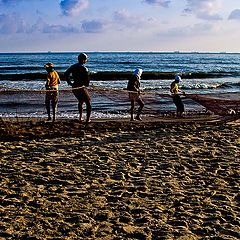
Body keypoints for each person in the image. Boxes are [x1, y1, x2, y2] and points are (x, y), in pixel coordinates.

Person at [64, 53, 91, 123]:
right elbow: (87, 80)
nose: (87, 60)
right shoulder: (85, 68)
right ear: (83, 59)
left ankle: (80, 117)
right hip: (81, 87)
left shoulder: (73, 66)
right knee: (88, 102)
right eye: (86, 59)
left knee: (81, 101)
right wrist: (86, 86)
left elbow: (66, 74)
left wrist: (69, 82)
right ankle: (88, 119)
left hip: (74, 87)